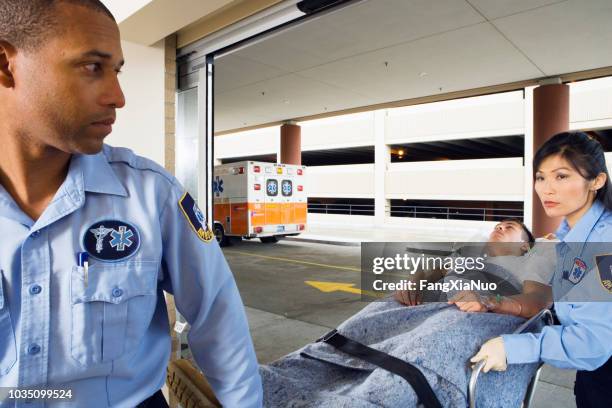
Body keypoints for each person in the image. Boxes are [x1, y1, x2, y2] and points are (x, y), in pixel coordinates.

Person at [0, 1, 262, 407]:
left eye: (117, 70)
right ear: (5, 64)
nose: (117, 97)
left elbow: (218, 319)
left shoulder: (151, 194)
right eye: (92, 67)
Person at [471, 132, 612, 408]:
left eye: (561, 176)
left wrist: (512, 347)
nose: (547, 189)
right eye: (540, 177)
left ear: (596, 181)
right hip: (593, 377)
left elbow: (593, 343)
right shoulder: (569, 238)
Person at [394, 219, 553, 318]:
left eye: (509, 227)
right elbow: (439, 270)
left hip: (467, 315)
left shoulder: (530, 262)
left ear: (525, 245)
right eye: (497, 226)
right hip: (427, 304)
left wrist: (492, 301)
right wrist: (416, 280)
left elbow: (539, 300)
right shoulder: (468, 255)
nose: (499, 228)